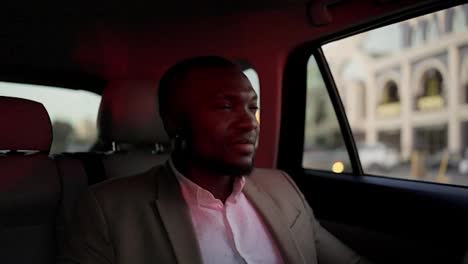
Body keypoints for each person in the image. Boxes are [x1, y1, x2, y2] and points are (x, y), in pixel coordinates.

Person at [60, 56, 370, 264]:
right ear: (174, 123)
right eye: (225, 107)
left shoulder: (281, 187)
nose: (250, 123)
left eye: (252, 108)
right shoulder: (107, 209)